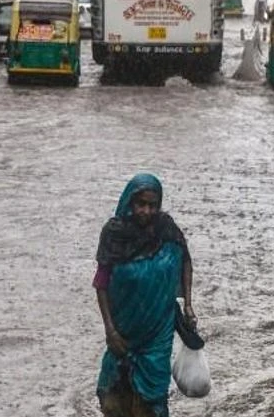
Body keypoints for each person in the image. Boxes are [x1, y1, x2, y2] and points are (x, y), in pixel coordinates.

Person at [94, 173, 197, 417]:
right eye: (141, 204)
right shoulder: (114, 234)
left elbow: (185, 262)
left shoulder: (166, 229)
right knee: (113, 400)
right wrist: (110, 330)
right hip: (124, 331)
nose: (146, 211)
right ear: (129, 203)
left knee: (150, 404)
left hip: (158, 333)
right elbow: (101, 283)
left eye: (153, 205)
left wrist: (189, 305)